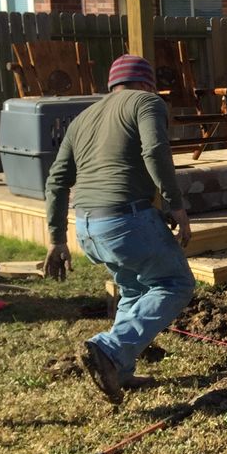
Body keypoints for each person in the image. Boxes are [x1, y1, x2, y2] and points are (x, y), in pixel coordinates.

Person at [43, 54, 196, 407]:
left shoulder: (81, 119)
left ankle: (120, 369)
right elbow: (155, 150)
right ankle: (110, 349)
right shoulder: (146, 101)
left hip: (88, 227)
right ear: (146, 83)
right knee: (176, 283)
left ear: (112, 85)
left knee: (132, 288)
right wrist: (176, 205)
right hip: (127, 221)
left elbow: (56, 181)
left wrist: (56, 238)